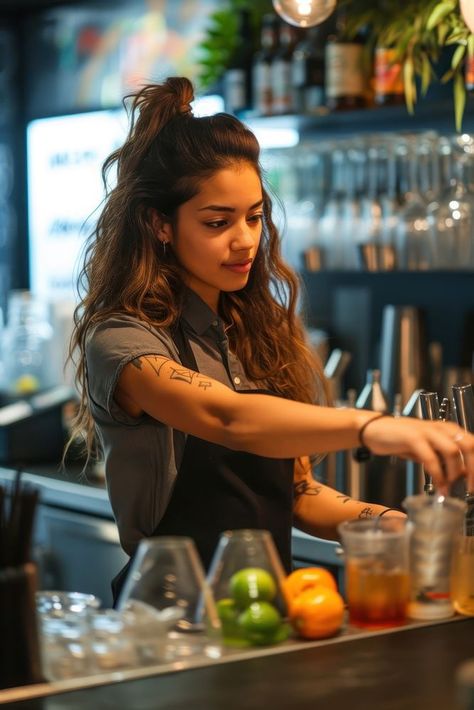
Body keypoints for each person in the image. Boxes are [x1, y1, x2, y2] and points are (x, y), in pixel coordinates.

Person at [68, 76, 474, 603]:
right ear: (159, 224)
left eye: (255, 217)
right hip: (170, 619)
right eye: (217, 222)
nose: (245, 241)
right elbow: (229, 419)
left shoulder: (261, 331)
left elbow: (299, 493)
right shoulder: (124, 339)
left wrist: (393, 524)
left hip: (269, 612)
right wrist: (374, 427)